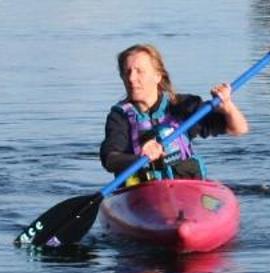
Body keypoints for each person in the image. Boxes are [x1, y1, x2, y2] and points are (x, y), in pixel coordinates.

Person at [101, 43, 248, 185]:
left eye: (139, 71)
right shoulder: (120, 117)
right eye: (127, 72)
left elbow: (239, 129)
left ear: (157, 76)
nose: (131, 78)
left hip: (186, 190)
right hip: (140, 196)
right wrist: (139, 158)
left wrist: (228, 106)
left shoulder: (183, 106)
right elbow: (110, 160)